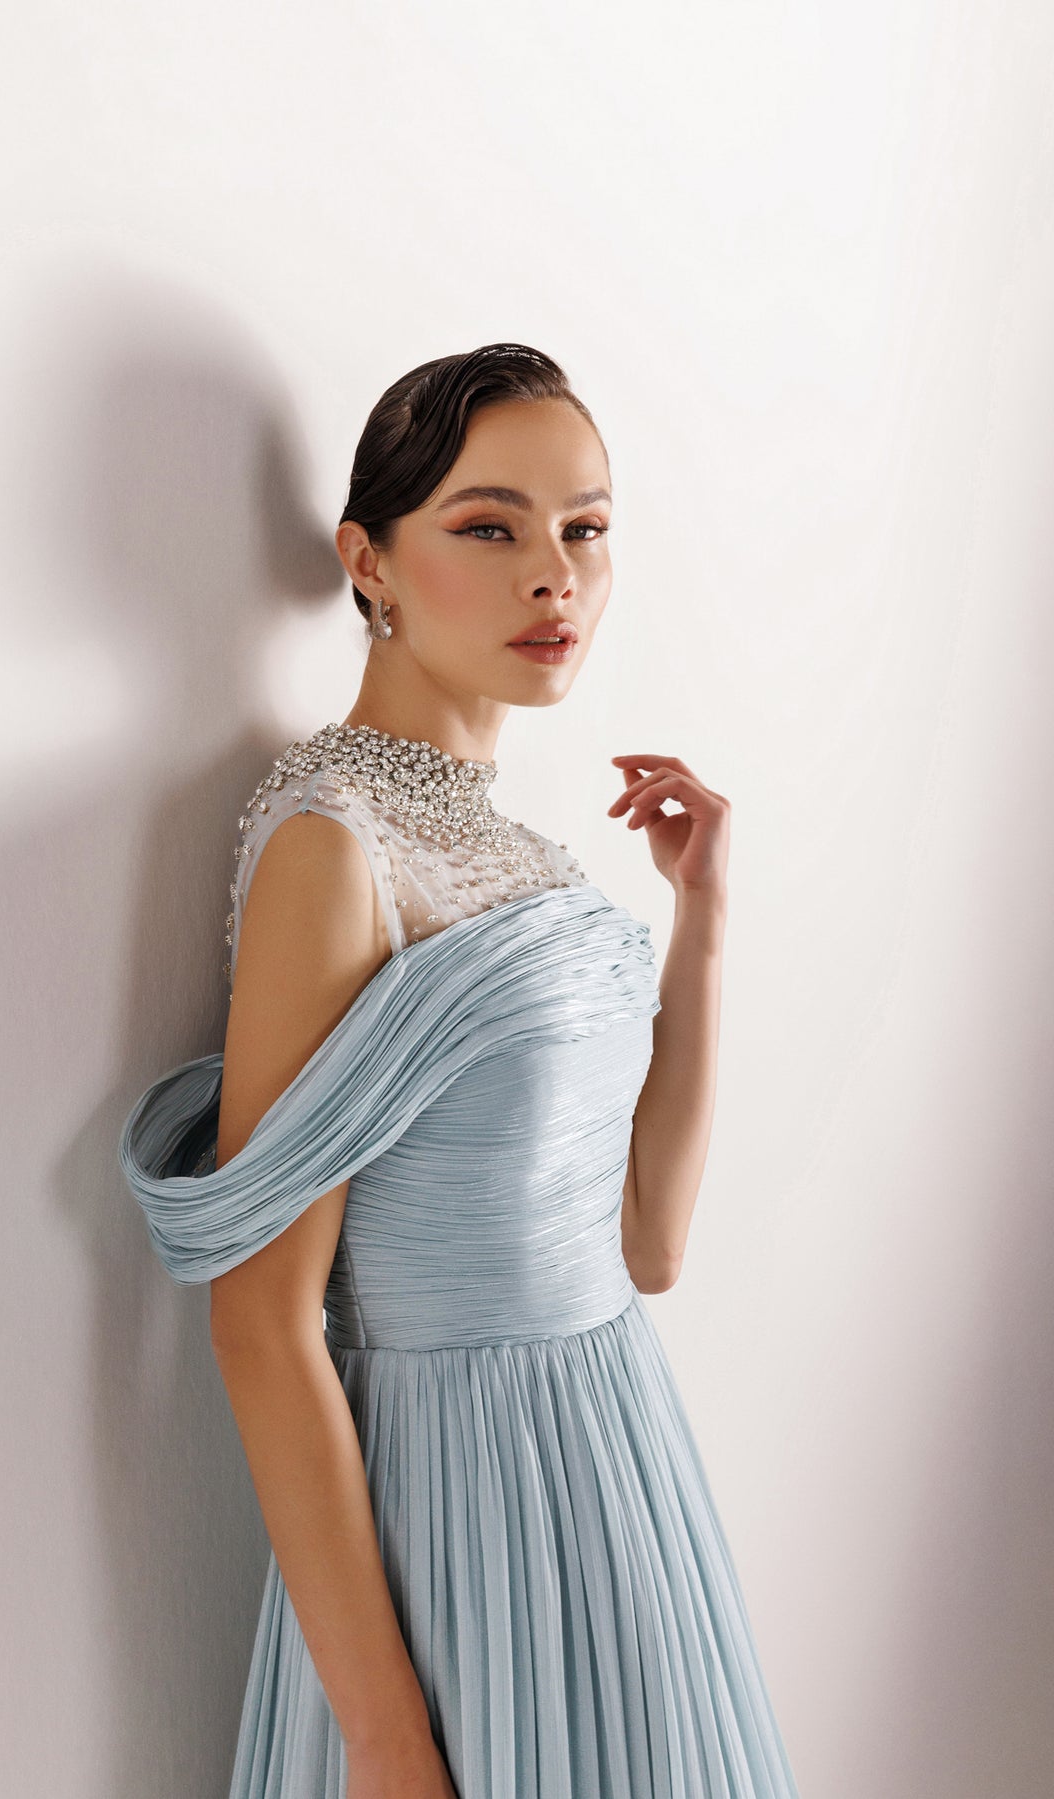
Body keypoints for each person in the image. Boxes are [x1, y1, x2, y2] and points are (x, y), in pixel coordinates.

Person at [118, 343, 800, 1798]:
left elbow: (647, 1247)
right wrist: (383, 1734)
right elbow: (262, 1323)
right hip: (455, 1508)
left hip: (625, 1484)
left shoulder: (521, 851)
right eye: (490, 528)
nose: (554, 576)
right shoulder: (333, 844)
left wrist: (702, 918)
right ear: (367, 560)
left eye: (585, 528)